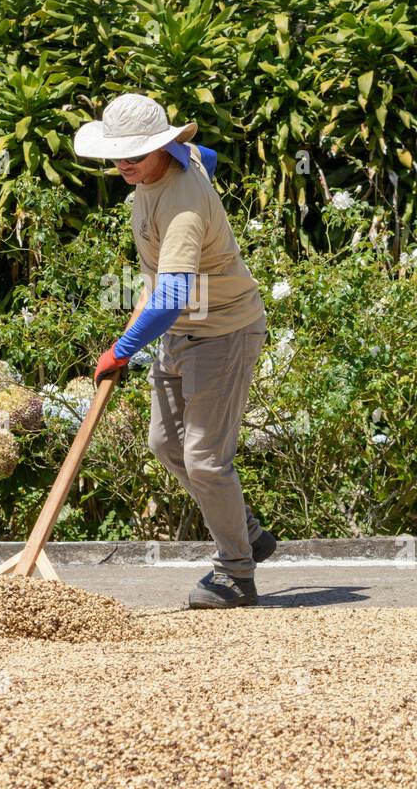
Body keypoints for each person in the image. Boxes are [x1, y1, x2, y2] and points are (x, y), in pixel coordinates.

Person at [73, 93, 277, 609]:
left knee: (206, 461)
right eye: (118, 155)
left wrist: (120, 351)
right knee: (166, 445)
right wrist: (189, 154)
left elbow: (170, 297)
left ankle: (236, 574)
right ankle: (246, 532)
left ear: (162, 147)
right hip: (181, 333)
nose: (124, 164)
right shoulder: (168, 169)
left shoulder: (182, 206)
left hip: (222, 330)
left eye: (135, 155)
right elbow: (205, 158)